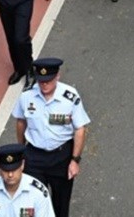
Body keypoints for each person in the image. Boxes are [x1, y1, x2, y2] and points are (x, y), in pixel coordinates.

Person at [12, 58, 90, 217]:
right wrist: (21, 152)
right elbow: (21, 123)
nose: (44, 85)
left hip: (61, 156)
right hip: (34, 156)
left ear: (57, 76)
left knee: (61, 205)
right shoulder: (27, 97)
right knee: (33, 202)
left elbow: (80, 129)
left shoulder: (70, 97)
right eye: (41, 81)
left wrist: (75, 160)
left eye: (48, 80)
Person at [0, 143, 53, 217]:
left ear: (22, 165)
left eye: (14, 170)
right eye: (6, 170)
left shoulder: (38, 193)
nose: (10, 175)